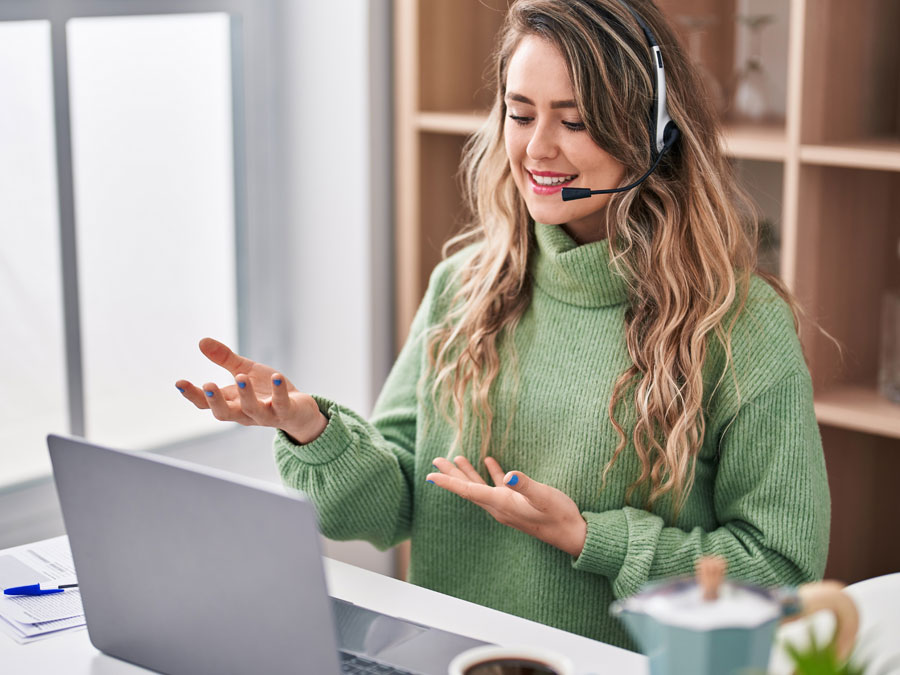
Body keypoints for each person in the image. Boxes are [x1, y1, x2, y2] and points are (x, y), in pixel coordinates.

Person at [177, 0, 830, 651]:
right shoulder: (463, 286)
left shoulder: (741, 329)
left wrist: (588, 537)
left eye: (573, 121)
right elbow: (392, 506)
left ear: (653, 135)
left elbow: (781, 569)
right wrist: (310, 428)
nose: (537, 148)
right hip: (442, 661)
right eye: (520, 114)